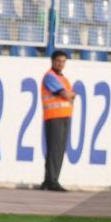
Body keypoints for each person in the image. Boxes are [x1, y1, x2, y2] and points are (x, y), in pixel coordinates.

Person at [40, 50, 75, 192]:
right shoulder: (50, 76)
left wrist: (70, 95)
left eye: (63, 61)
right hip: (54, 116)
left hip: (63, 116)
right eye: (58, 61)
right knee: (56, 149)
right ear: (53, 61)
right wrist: (70, 95)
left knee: (58, 149)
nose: (61, 64)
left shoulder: (62, 78)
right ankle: (52, 181)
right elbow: (65, 94)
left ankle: (49, 180)